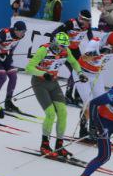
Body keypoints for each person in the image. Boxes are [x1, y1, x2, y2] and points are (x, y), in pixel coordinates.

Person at [24, 30, 80, 159]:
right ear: (55, 43)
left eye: (65, 47)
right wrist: (43, 74)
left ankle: (59, 145)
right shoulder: (43, 50)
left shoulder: (65, 51)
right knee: (50, 113)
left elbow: (74, 62)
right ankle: (44, 145)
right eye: (61, 46)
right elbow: (29, 68)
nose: (63, 49)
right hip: (40, 83)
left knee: (63, 112)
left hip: (53, 83)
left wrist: (80, 73)